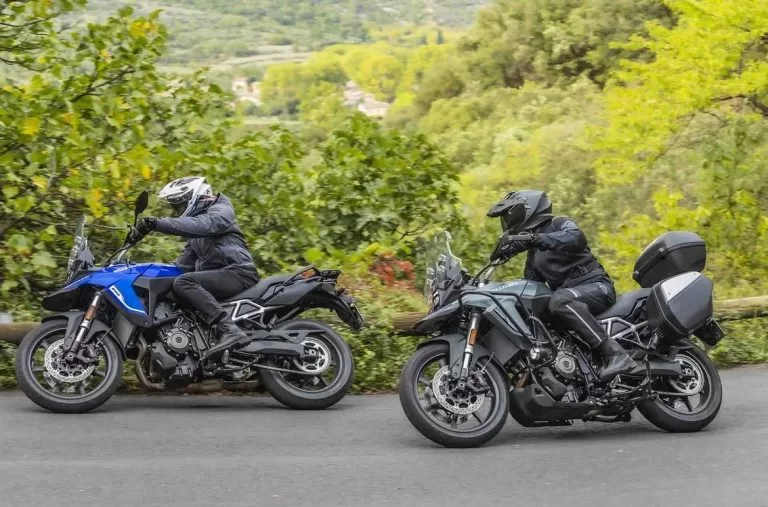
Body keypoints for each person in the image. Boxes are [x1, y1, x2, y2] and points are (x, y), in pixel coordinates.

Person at [487, 190, 636, 380]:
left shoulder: (559, 224)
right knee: (537, 314)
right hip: (571, 297)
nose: (508, 223)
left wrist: (537, 239)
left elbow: (576, 238)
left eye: (511, 216)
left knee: (559, 301)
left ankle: (617, 354)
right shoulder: (534, 255)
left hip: (597, 286)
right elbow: (530, 289)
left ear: (528, 210)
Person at [131, 176, 260, 359]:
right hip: (221, 275)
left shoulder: (221, 211)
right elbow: (182, 266)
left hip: (238, 272)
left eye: (180, 205)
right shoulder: (196, 237)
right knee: (174, 286)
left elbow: (204, 225)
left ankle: (229, 329)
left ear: (195, 197)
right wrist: (141, 271)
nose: (178, 212)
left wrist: (157, 223)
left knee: (184, 283)